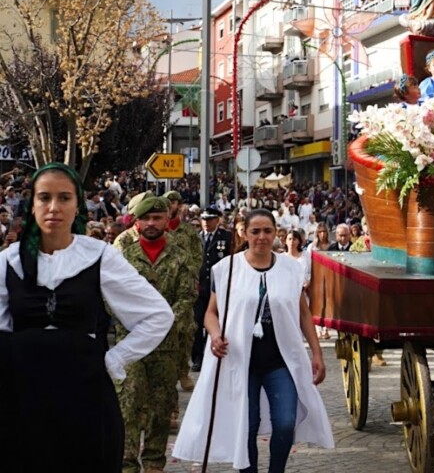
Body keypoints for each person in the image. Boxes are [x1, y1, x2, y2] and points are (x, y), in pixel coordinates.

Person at [0, 163, 173, 472]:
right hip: (20, 393)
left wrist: (114, 358)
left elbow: (157, 314)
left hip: (83, 389)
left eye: (64, 198)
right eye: (44, 197)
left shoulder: (99, 256)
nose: (54, 207)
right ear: (32, 204)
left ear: (77, 203)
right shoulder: (8, 262)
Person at [172, 209, 333, 472]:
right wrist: (215, 335)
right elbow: (210, 313)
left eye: (267, 231)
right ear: (244, 233)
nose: (261, 237)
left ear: (275, 234)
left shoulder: (291, 269)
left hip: (280, 361)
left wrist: (317, 353)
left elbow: (303, 313)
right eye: (255, 231)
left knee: (284, 422)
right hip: (240, 361)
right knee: (246, 425)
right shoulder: (226, 269)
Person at [117, 193, 197, 473]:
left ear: (167, 219)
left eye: (157, 217)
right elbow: (111, 296)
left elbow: (187, 297)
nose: (151, 223)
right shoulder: (122, 257)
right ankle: (126, 465)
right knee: (127, 407)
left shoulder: (181, 256)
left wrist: (160, 323)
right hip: (130, 344)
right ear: (136, 222)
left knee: (160, 410)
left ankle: (153, 464)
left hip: (166, 346)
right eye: (145, 218)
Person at [193, 206, 232, 372]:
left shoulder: (226, 237)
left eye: (209, 220)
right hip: (199, 288)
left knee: (216, 322)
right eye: (203, 220)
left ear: (217, 220)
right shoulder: (195, 238)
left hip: (217, 288)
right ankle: (197, 357)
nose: (206, 223)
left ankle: (212, 354)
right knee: (197, 323)